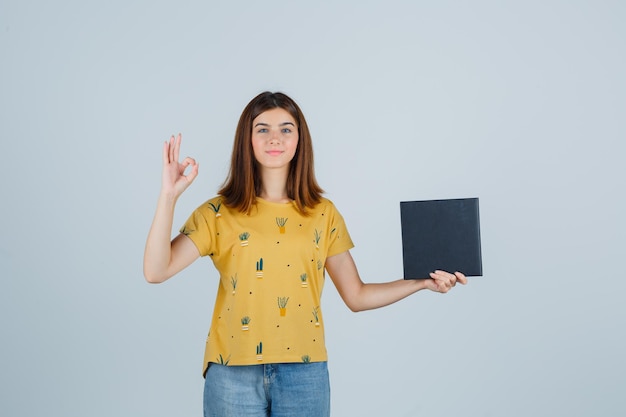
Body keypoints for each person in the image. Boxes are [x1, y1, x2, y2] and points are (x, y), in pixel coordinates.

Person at [143, 91, 467, 417]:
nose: (275, 138)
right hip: (232, 372)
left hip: (304, 373)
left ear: (300, 139)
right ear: (247, 139)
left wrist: (421, 284)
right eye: (262, 129)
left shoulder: (322, 214)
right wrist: (168, 196)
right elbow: (156, 271)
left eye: (286, 129)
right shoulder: (217, 213)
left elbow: (356, 296)